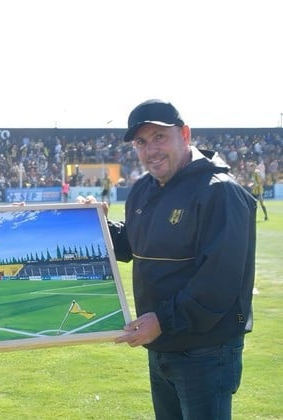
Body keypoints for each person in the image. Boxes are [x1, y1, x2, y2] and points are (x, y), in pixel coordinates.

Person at [107, 99, 256, 419]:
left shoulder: (219, 191)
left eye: (159, 137)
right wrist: (92, 224)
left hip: (206, 351)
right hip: (161, 344)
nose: (151, 150)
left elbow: (219, 281)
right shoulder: (143, 189)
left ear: (185, 134)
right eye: (141, 142)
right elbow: (132, 243)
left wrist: (162, 321)